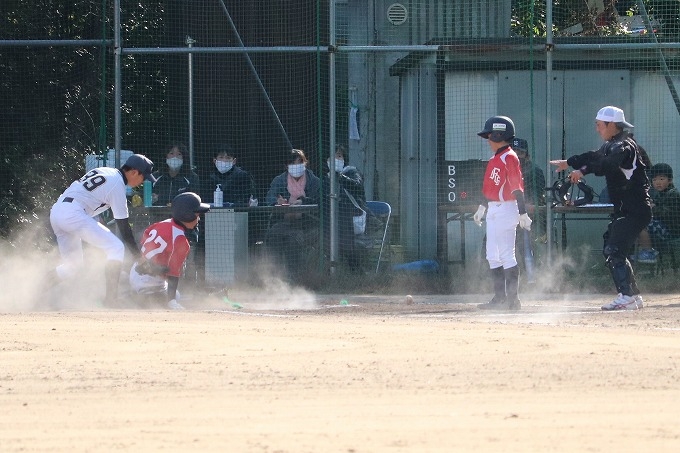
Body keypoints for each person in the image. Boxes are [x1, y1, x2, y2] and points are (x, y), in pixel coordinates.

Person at [550, 105, 651, 311]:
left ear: (611, 124)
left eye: (599, 125)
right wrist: (569, 162)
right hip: (626, 210)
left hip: (635, 209)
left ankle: (627, 296)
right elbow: (593, 156)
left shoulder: (624, 146)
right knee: (612, 246)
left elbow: (607, 164)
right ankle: (632, 296)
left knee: (614, 249)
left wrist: (582, 171)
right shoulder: (612, 144)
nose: (597, 129)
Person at [48, 154, 156, 305]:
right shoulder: (117, 184)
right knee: (116, 247)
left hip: (58, 211)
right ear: (134, 172)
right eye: (143, 177)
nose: (142, 182)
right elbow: (124, 228)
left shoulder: (107, 171)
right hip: (73, 213)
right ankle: (111, 300)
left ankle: (33, 291)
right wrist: (139, 258)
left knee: (72, 267)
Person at [473, 116, 532, 311]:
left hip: (507, 208)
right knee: (492, 255)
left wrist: (522, 213)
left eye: (490, 136)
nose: (488, 140)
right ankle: (499, 298)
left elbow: (516, 188)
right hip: (494, 209)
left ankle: (513, 301)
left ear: (499, 135)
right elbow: (490, 188)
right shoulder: (495, 158)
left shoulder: (510, 157)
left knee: (506, 254)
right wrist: (482, 208)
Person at [128, 192, 210, 310]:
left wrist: (151, 262)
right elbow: (173, 273)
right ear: (187, 215)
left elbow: (145, 237)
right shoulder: (180, 240)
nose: (199, 218)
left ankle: (134, 291)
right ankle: (133, 298)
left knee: (177, 294)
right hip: (149, 281)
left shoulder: (163, 223)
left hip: (137, 270)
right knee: (165, 302)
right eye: (197, 214)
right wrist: (171, 301)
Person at [264, 149, 321, 278]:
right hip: (283, 222)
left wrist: (303, 202)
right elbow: (270, 199)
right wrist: (278, 202)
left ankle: (295, 277)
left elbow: (320, 201)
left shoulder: (315, 182)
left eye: (300, 162)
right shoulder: (279, 180)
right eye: (292, 163)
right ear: (286, 166)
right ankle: (273, 276)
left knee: (293, 240)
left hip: (307, 224)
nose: (296, 166)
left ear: (305, 163)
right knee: (273, 235)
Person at [322, 145, 367, 272]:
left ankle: (355, 269)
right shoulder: (326, 179)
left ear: (344, 159)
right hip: (332, 222)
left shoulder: (352, 172)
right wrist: (302, 200)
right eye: (332, 156)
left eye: (339, 156)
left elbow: (357, 186)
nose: (335, 159)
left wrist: (340, 177)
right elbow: (319, 198)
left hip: (353, 219)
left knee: (342, 220)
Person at [513, 138, 546, 284]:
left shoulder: (534, 170)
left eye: (520, 153)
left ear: (527, 155)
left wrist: (525, 207)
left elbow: (537, 199)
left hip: (530, 217)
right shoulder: (507, 170)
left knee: (526, 244)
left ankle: (533, 279)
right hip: (510, 215)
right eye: (514, 152)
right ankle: (501, 280)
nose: (517, 155)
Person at [636, 163, 680, 264]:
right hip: (662, 227)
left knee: (642, 224)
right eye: (654, 180)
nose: (658, 182)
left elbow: (668, 214)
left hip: (672, 231)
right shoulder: (659, 195)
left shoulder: (673, 195)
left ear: (670, 180)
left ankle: (648, 252)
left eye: (661, 179)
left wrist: (653, 207)